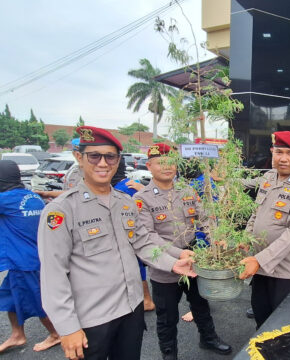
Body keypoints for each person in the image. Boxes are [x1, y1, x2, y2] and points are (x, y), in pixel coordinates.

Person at [37, 126, 196, 360]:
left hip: (131, 311)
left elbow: (143, 243)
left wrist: (173, 263)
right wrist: (67, 327)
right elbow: (53, 274)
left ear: (118, 160)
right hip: (92, 319)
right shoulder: (61, 211)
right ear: (79, 158)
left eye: (109, 156)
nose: (103, 163)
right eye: (94, 156)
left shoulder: (125, 204)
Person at [133, 143, 231, 360]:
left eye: (171, 162)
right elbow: (148, 236)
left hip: (194, 258)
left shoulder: (187, 190)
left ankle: (208, 338)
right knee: (166, 316)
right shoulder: (142, 199)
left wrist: (216, 237)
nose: (167, 167)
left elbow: (205, 218)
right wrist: (179, 255)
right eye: (161, 163)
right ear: (149, 166)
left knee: (200, 303)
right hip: (164, 265)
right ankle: (169, 353)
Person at [239, 131, 290, 328]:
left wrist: (259, 260)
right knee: (261, 316)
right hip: (259, 266)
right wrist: (246, 239)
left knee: (282, 327)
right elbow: (256, 213)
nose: (283, 158)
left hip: (284, 272)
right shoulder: (268, 177)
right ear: (272, 152)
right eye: (279, 152)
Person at [0, 160, 60, 353]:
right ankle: (17, 335)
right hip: (34, 257)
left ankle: (56, 334)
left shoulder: (5, 200)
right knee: (9, 298)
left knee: (38, 301)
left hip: (24, 262)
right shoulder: (31, 196)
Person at [110, 157, 154, 312]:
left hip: (131, 235)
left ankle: (146, 300)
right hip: (128, 234)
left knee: (136, 266)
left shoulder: (125, 187)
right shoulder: (120, 185)